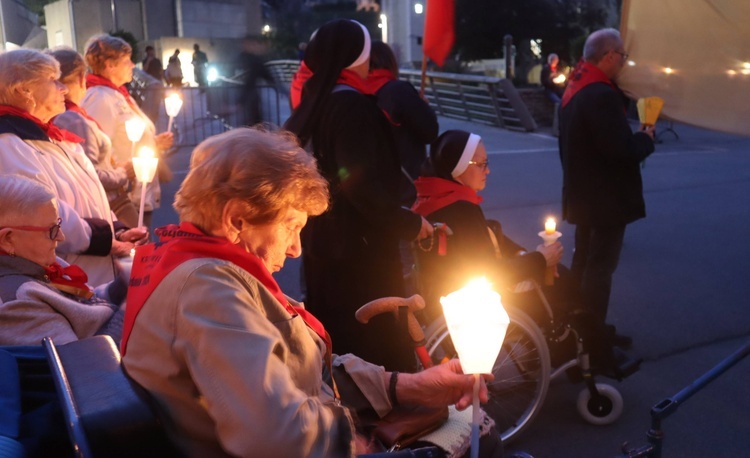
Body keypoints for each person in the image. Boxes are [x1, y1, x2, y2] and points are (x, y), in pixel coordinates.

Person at [120, 128, 497, 457]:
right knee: (482, 433)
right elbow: (277, 436)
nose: (296, 249)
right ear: (237, 220)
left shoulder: (192, 267)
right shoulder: (208, 291)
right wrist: (356, 440)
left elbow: (297, 370)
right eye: (290, 226)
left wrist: (407, 387)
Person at [285, 19, 434, 372]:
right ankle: (382, 418)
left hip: (324, 239)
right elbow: (360, 184)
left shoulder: (317, 101)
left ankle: (346, 415)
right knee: (374, 345)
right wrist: (410, 223)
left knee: (338, 340)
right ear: (355, 57)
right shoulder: (351, 105)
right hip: (359, 250)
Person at [0, 48, 146, 287]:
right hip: (65, 280)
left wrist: (117, 229)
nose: (64, 88)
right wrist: (102, 239)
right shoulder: (7, 144)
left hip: (95, 274)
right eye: (52, 80)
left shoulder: (55, 140)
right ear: (24, 90)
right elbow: (45, 212)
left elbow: (88, 195)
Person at [558, 28, 656, 347]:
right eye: (623, 56)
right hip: (605, 200)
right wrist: (645, 138)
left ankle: (579, 329)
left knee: (583, 263)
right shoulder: (600, 94)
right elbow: (620, 150)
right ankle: (592, 340)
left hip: (584, 195)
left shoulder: (576, 86)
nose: (624, 62)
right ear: (610, 55)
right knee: (599, 270)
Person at [412, 130, 564, 322]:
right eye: (481, 164)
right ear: (458, 167)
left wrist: (521, 254)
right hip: (474, 306)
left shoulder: (433, 200)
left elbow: (482, 234)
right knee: (564, 285)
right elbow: (492, 272)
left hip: (440, 296)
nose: (488, 170)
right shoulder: (461, 211)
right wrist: (541, 259)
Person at [0, 175, 127, 346]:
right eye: (51, 230)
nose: (61, 236)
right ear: (7, 239)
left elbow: (83, 305)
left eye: (58, 225)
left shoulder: (34, 261)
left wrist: (123, 285)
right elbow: (83, 362)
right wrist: (132, 307)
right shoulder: (17, 301)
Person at [82, 34, 174, 231]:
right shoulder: (99, 98)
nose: (133, 65)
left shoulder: (117, 94)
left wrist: (154, 143)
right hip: (126, 195)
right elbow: (97, 149)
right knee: (134, 252)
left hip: (138, 192)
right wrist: (122, 172)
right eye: (126, 61)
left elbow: (125, 137)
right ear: (109, 65)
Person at [47, 46, 138, 228]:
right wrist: (122, 173)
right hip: (112, 203)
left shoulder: (68, 116)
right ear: (82, 79)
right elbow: (89, 174)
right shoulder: (72, 119)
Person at [369, 40, 439, 206]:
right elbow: (430, 131)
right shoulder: (398, 91)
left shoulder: (354, 92)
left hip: (372, 187)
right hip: (405, 187)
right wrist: (424, 107)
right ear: (390, 62)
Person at [236, 35, 274, 125]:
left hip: (250, 94)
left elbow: (261, 73)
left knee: (253, 119)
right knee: (253, 119)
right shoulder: (250, 59)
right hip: (250, 94)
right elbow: (254, 76)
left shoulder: (252, 59)